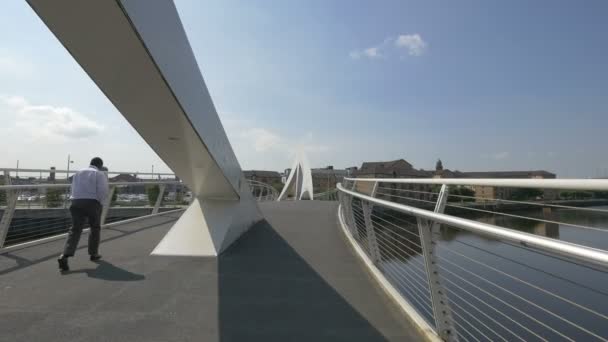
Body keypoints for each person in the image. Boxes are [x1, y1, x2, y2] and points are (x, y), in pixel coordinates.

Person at [57, 157, 109, 272]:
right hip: (92, 202)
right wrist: (99, 203)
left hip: (75, 202)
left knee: (75, 229)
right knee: (95, 228)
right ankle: (93, 253)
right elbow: (103, 191)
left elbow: (73, 189)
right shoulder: (99, 174)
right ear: (100, 165)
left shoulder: (78, 173)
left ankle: (64, 255)